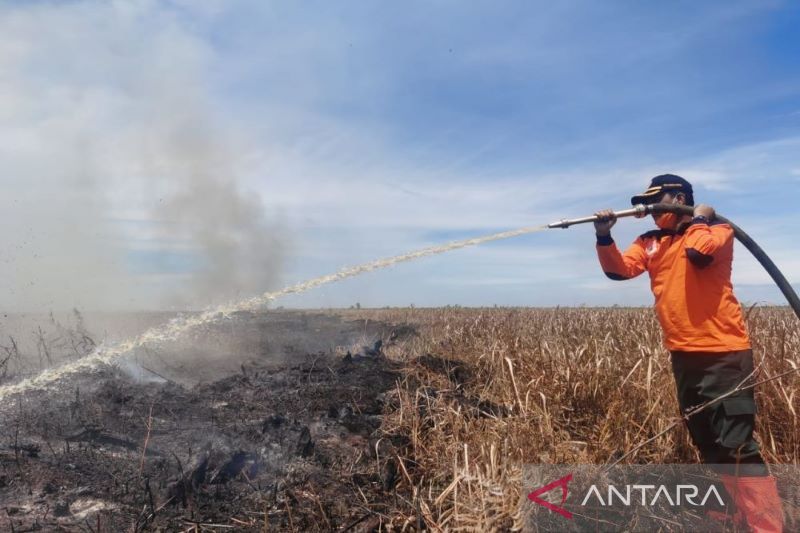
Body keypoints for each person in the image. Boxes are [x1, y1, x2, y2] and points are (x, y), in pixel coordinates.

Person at [593, 174, 783, 532]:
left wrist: (699, 217)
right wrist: (604, 235)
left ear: (677, 198)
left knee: (736, 445)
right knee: (707, 438)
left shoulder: (717, 230)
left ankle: (767, 525)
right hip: (683, 355)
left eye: (656, 202)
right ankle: (735, 509)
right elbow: (619, 271)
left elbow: (698, 255)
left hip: (724, 354)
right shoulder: (649, 241)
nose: (650, 212)